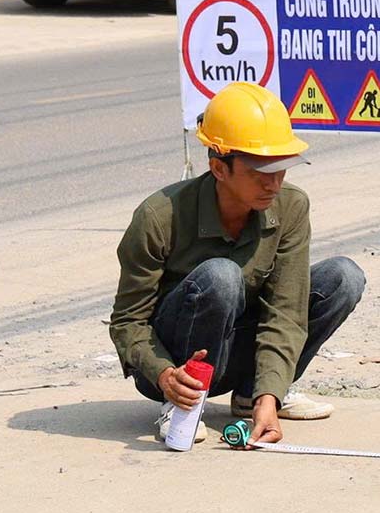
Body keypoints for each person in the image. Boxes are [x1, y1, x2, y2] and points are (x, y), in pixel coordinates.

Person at [108, 82, 366, 446]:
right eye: (260, 171)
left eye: (282, 169)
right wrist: (164, 374)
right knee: (221, 275)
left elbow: (286, 311)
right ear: (219, 168)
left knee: (344, 277)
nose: (273, 184)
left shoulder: (291, 206)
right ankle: (182, 406)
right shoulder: (159, 217)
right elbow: (128, 322)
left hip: (239, 352)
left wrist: (268, 398)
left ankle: (252, 394)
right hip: (174, 364)